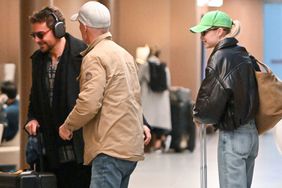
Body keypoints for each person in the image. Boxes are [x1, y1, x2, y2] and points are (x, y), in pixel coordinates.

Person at [59, 1, 145, 188]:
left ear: (85, 27)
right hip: (130, 147)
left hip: (109, 149)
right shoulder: (124, 54)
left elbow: (89, 103)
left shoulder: (94, 57)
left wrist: (68, 125)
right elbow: (133, 97)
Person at [190, 11, 259, 188]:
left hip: (233, 134)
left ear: (220, 31)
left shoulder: (220, 57)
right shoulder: (244, 54)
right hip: (251, 134)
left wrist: (198, 114)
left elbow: (211, 98)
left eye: (205, 32)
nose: (202, 37)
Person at [25, 7, 91, 188]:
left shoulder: (84, 54)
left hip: (81, 152)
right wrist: (32, 119)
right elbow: (35, 99)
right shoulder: (38, 60)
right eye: (34, 35)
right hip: (51, 154)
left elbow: (109, 92)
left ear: (59, 29)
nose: (37, 40)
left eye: (40, 34)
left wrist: (141, 122)